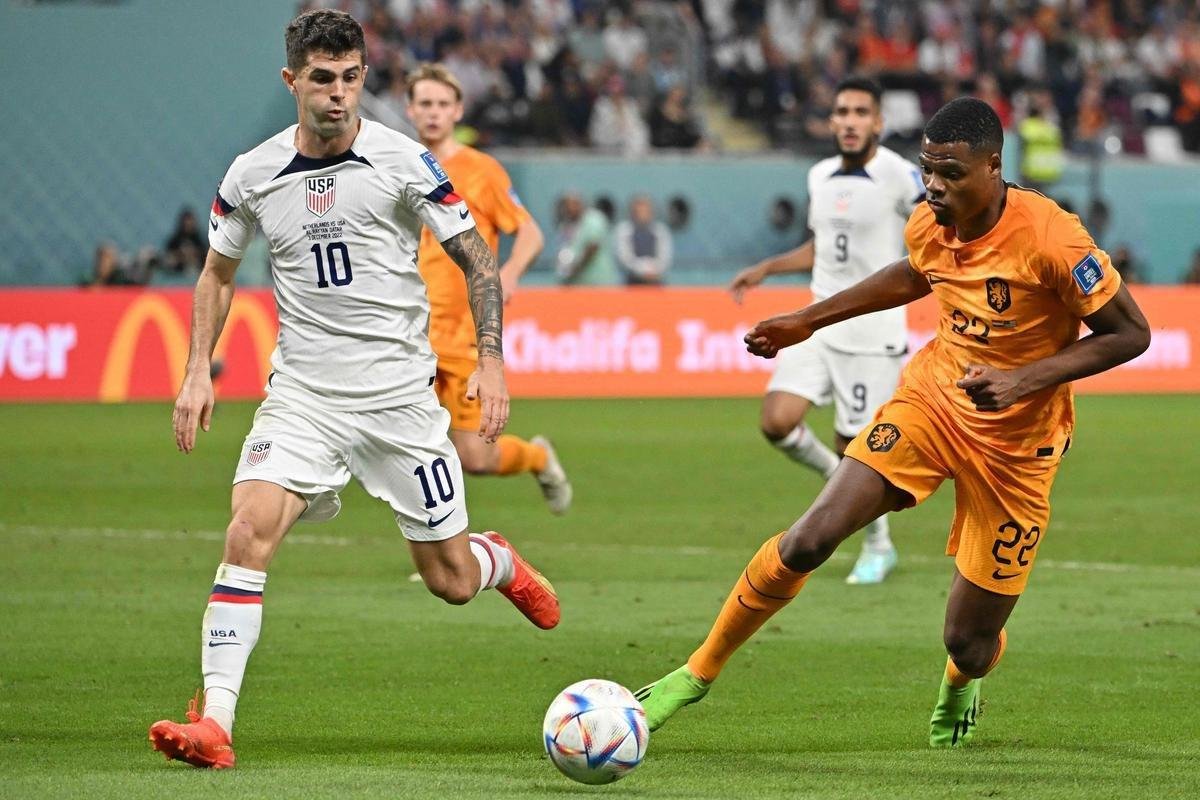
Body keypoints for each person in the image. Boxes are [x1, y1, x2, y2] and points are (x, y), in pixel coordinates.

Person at [637, 97, 1150, 748]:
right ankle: (696, 672)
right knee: (810, 539)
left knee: (968, 641)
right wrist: (808, 319)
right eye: (927, 170)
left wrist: (1021, 379)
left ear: (994, 167)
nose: (934, 186)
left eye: (952, 174)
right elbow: (913, 274)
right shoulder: (930, 221)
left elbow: (1131, 333)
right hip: (933, 404)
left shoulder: (1052, 238)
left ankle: (963, 679)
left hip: (1020, 448)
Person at [148, 10, 560, 770]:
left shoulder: (405, 162)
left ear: (363, 77)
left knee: (452, 582)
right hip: (304, 397)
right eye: (321, 79)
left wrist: (492, 362)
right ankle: (218, 723)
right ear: (292, 81)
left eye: (350, 78)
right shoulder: (251, 174)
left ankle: (493, 558)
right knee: (247, 531)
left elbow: (475, 260)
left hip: (401, 403)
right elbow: (216, 273)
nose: (338, 95)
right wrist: (195, 370)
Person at [727, 76, 925, 585]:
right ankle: (836, 482)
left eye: (862, 112)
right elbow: (822, 246)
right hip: (816, 320)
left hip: (871, 330)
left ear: (878, 122)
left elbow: (934, 234)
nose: (851, 121)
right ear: (832, 121)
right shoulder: (819, 176)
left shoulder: (901, 176)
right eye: (843, 112)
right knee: (777, 420)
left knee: (853, 446)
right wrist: (767, 268)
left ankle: (878, 546)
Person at [406, 62, 572, 514]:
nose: (434, 113)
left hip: (463, 337)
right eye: (425, 104)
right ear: (410, 109)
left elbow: (531, 233)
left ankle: (536, 456)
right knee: (409, 453)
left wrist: (512, 271)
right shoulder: (395, 166)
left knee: (473, 456)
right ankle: (441, 555)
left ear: (458, 110)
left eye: (442, 104)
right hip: (407, 336)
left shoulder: (482, 170)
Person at [554, 192, 619, 285]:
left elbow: (593, 246)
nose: (570, 208)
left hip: (598, 282)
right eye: (567, 205)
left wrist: (575, 269)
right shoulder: (565, 225)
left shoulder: (595, 219)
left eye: (574, 204)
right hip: (577, 284)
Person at [614, 194, 672, 285]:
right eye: (638, 211)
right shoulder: (624, 230)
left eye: (645, 210)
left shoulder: (661, 230)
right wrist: (643, 271)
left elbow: (664, 257)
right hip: (633, 282)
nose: (642, 214)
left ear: (652, 212)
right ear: (632, 212)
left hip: (656, 281)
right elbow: (624, 258)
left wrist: (653, 271)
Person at [162, 208, 207, 275]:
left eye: (190, 221)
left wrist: (194, 253)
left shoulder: (198, 239)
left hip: (196, 269)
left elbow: (203, 253)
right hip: (178, 269)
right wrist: (180, 254)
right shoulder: (175, 239)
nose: (189, 224)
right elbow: (168, 254)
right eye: (187, 221)